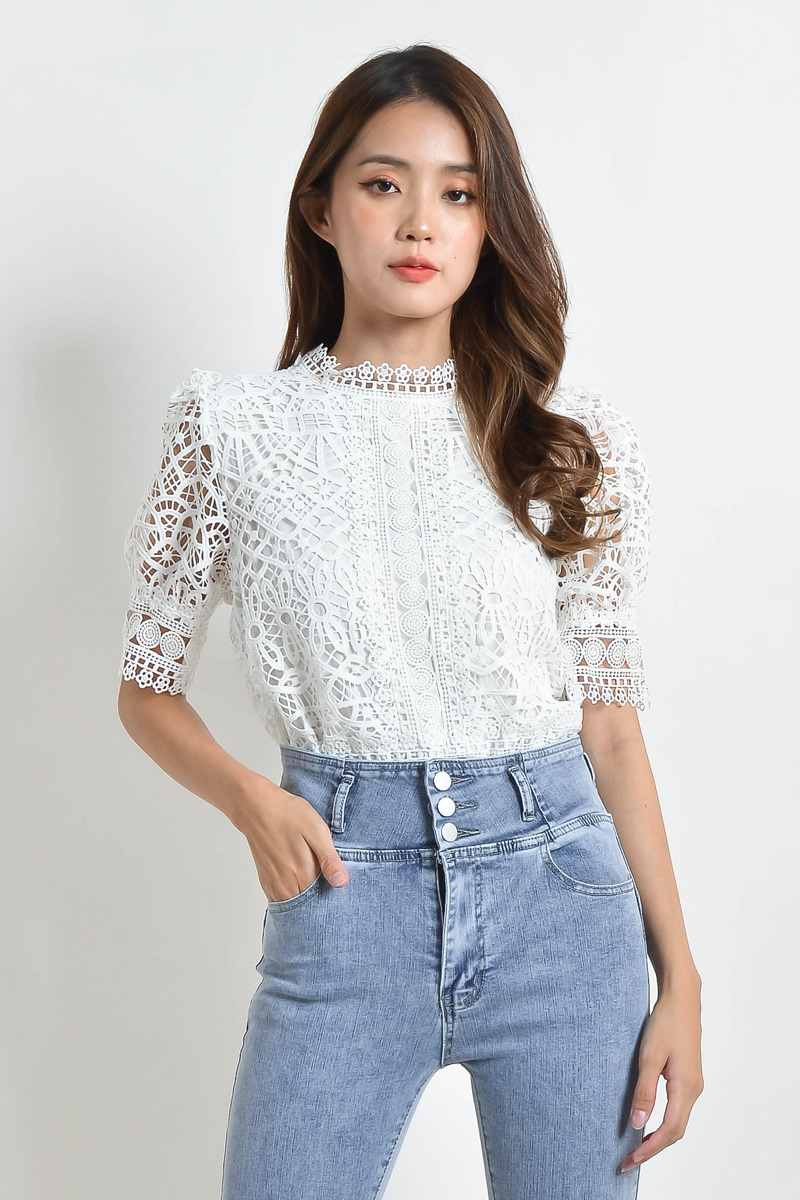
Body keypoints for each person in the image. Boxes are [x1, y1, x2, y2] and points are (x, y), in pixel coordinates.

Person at [117, 42, 703, 1200]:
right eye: (383, 184)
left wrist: (678, 978)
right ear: (321, 209)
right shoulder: (230, 431)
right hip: (342, 896)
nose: (419, 222)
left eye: (458, 193)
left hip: (560, 903)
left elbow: (609, 728)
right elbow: (145, 690)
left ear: (488, 225)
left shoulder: (562, 441)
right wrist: (252, 801)